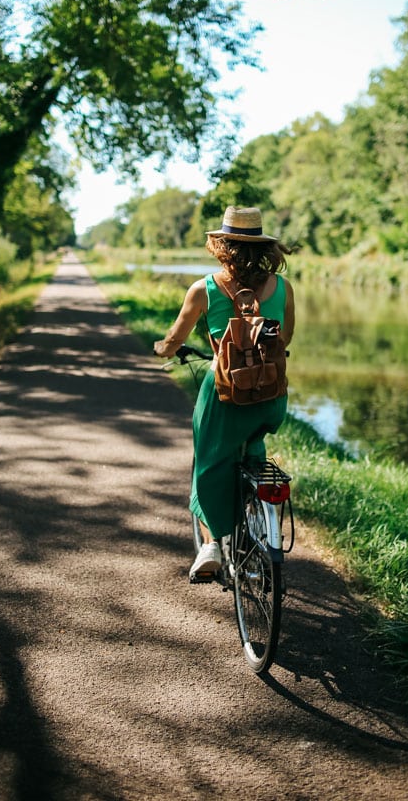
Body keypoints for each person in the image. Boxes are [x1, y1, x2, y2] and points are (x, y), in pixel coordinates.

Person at [153, 205, 295, 580]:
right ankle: (255, 530)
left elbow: (174, 340)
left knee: (208, 465)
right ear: (264, 248)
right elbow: (287, 338)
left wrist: (163, 348)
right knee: (253, 448)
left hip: (225, 395)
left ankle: (212, 544)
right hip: (271, 397)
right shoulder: (282, 287)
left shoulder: (204, 289)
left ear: (221, 246)